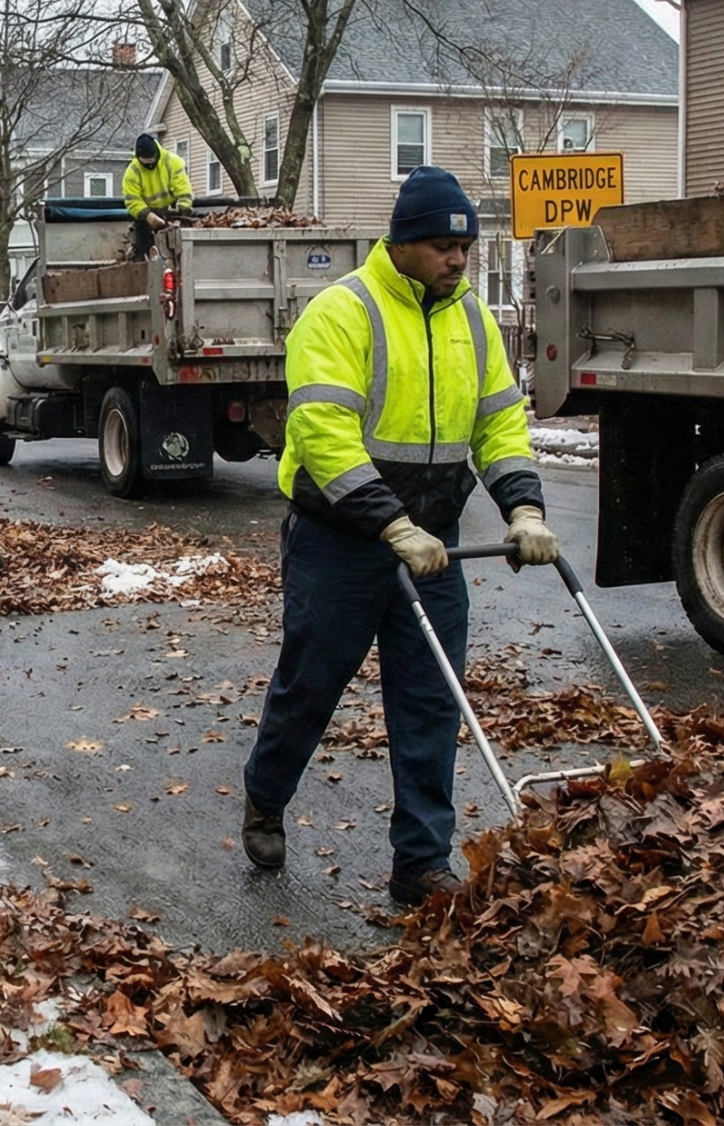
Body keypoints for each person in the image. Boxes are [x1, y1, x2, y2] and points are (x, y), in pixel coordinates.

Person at [237, 166, 560, 907]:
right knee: (311, 684)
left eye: (466, 248)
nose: (458, 260)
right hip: (341, 541)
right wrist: (390, 523)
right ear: (405, 243)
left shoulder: (473, 320)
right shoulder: (342, 313)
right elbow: (322, 433)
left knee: (430, 700)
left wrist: (525, 507)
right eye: (445, 247)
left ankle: (420, 864)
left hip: (434, 547)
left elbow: (501, 423)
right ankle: (266, 792)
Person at [121, 133, 194, 260]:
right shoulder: (132, 172)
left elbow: (183, 189)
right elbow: (133, 201)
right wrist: (148, 216)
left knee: (184, 242)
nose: (149, 164)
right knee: (142, 248)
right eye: (145, 161)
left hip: (172, 211)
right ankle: (142, 265)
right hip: (146, 215)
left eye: (151, 160)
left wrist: (183, 207)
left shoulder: (172, 162)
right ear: (138, 158)